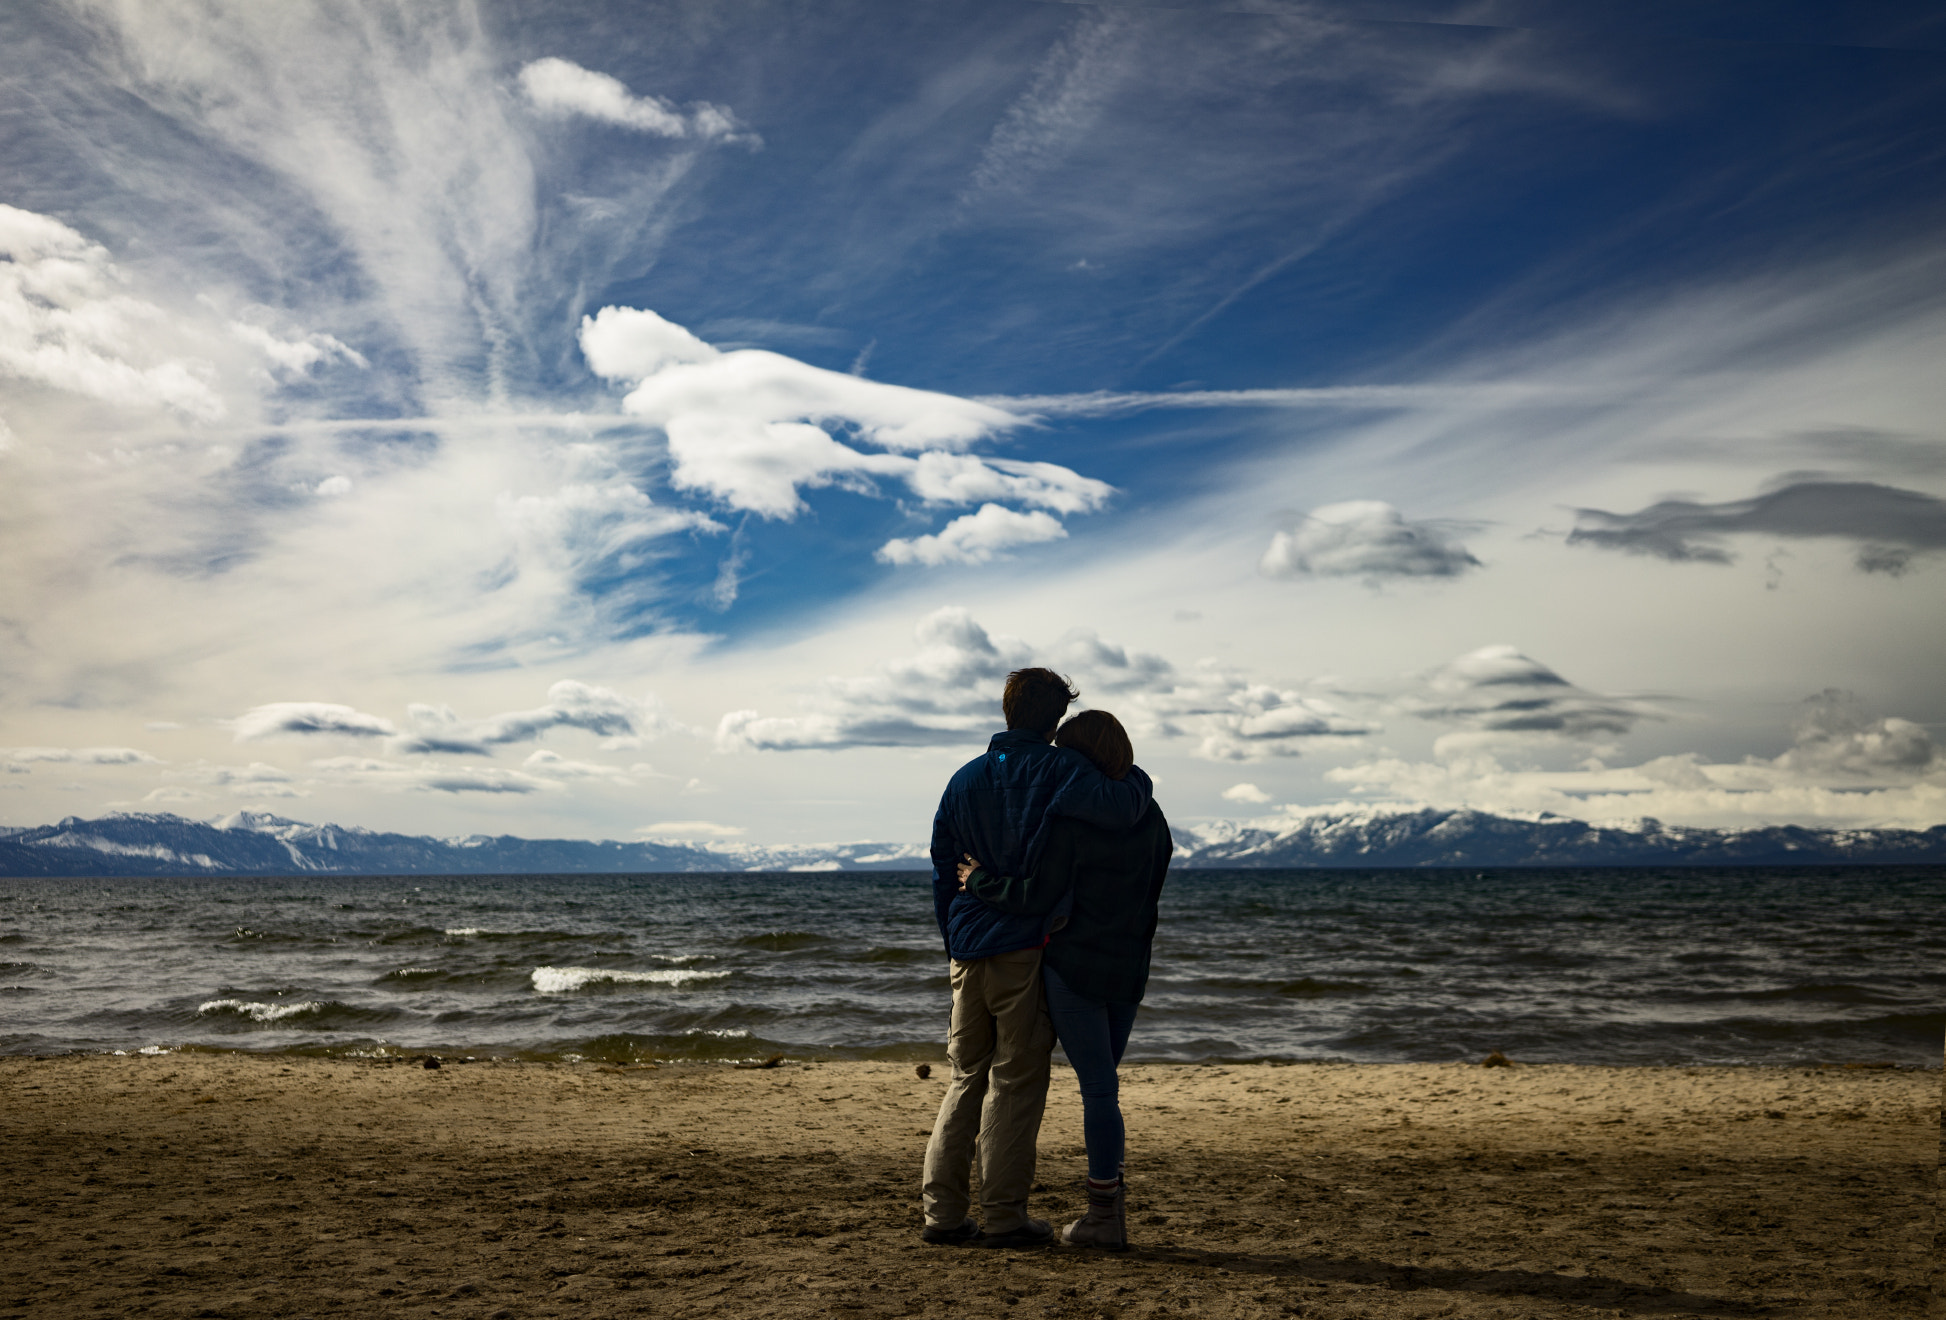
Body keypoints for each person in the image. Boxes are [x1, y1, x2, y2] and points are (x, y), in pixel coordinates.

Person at [922, 669, 1154, 1250]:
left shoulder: (961, 780)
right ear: (1055, 720)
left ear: (1006, 711)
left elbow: (941, 869)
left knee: (964, 1076)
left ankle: (943, 1215)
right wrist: (1143, 776)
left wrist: (954, 939)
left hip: (967, 947)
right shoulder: (1063, 769)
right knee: (1016, 1080)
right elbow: (1124, 803)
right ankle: (1003, 1216)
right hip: (1020, 946)